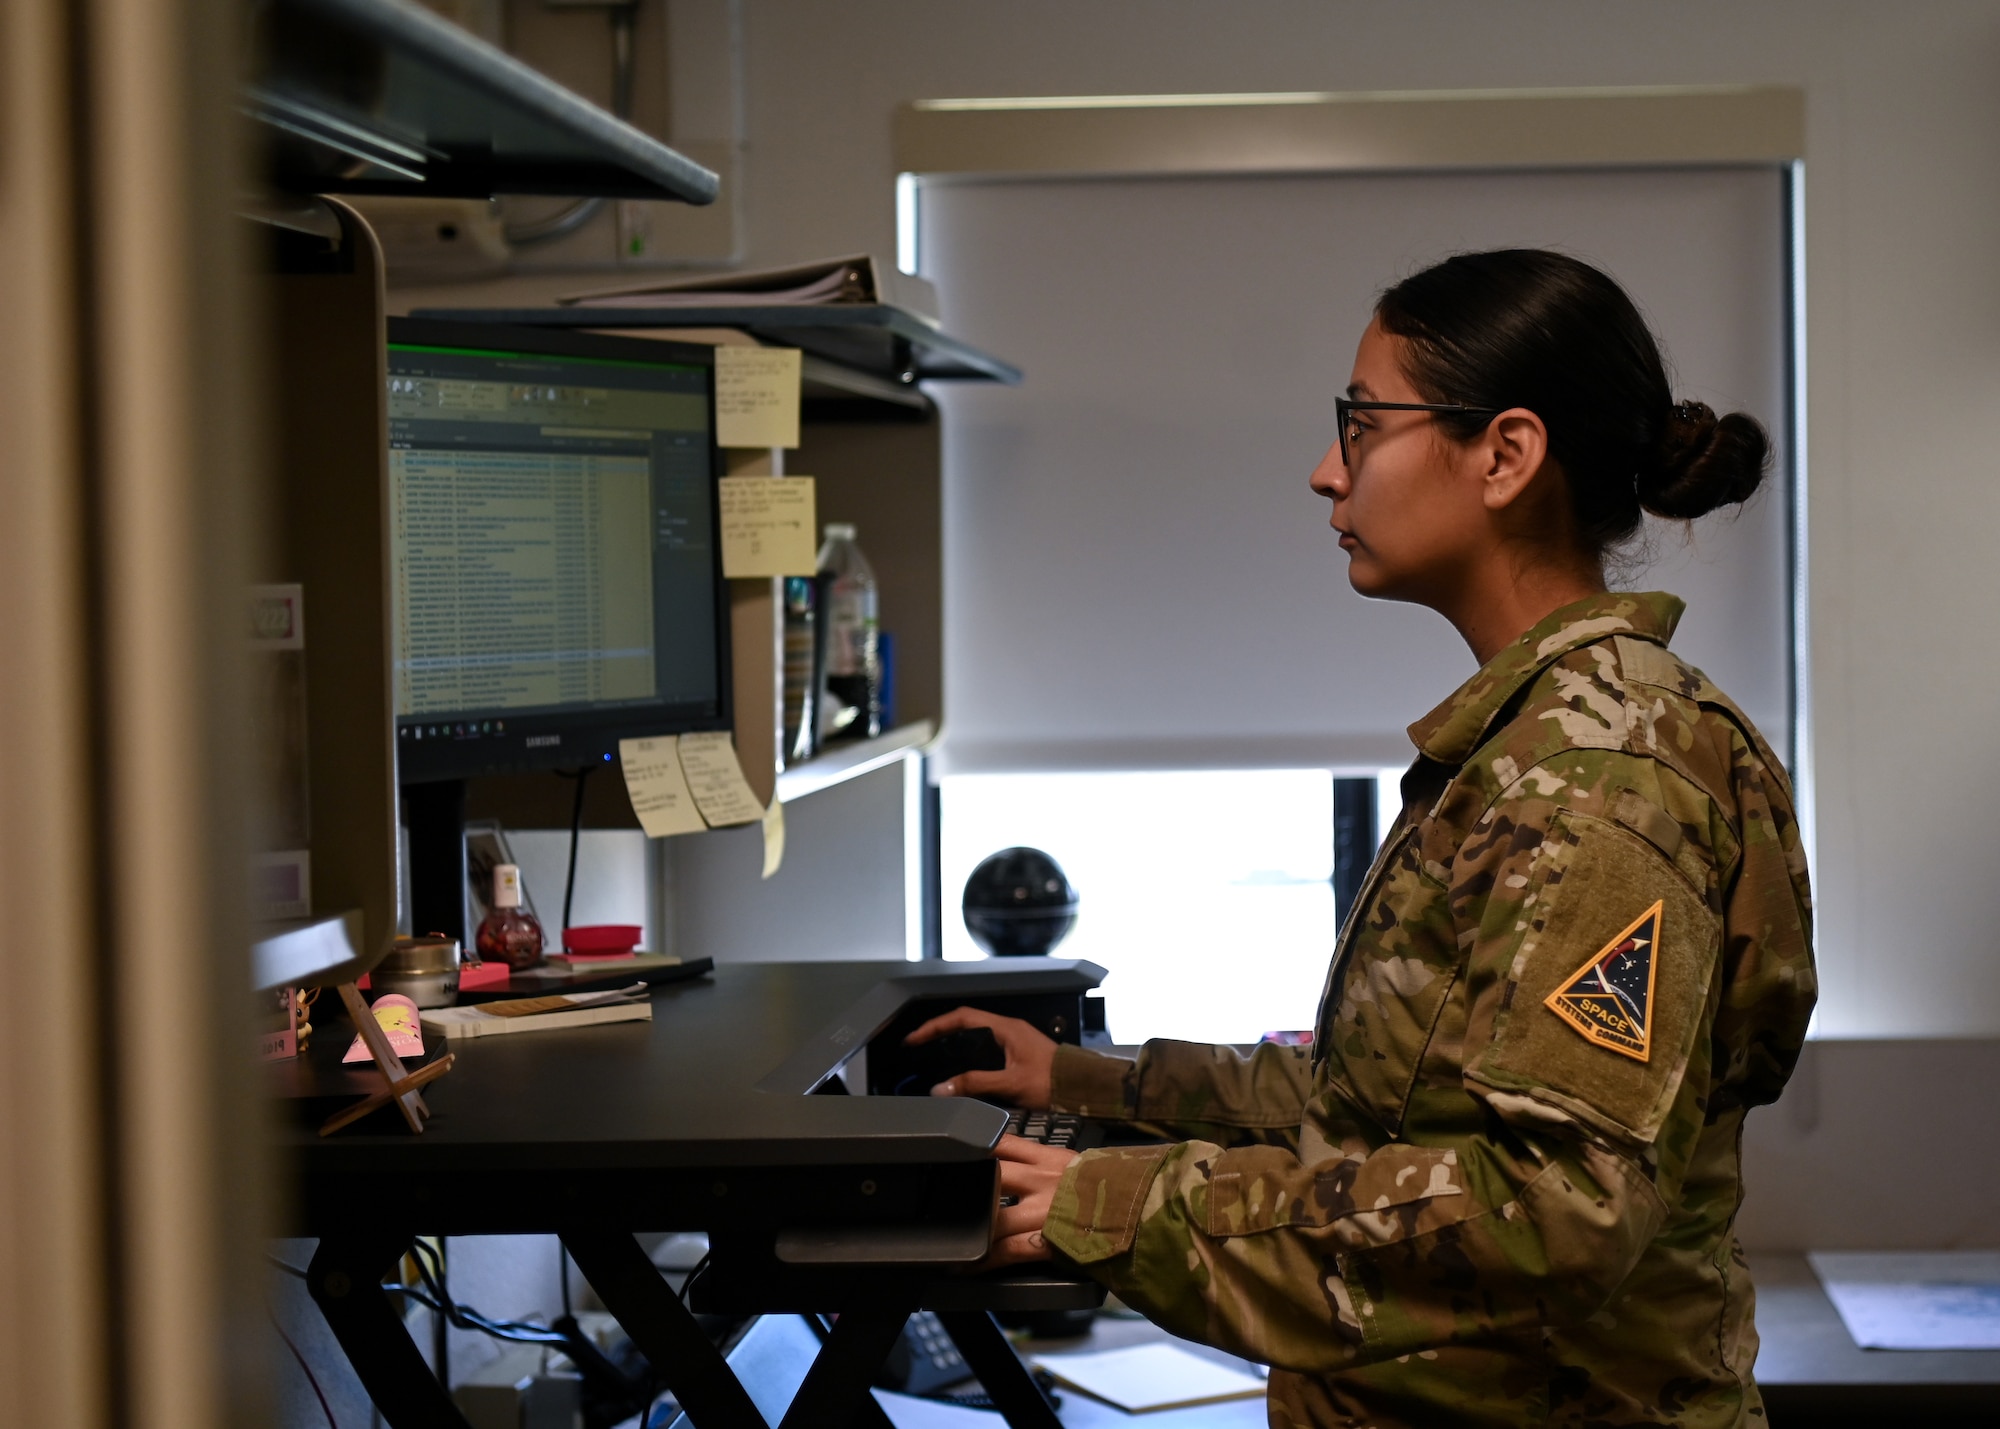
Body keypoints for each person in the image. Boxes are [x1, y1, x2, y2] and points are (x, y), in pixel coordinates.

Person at [906, 249, 1815, 1428]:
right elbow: (1387, 1104)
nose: (1325, 471)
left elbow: (1551, 1212)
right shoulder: (1533, 744)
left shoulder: (1594, 782)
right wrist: (1091, 1081)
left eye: (1361, 423)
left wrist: (1116, 1208)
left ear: (1504, 455)